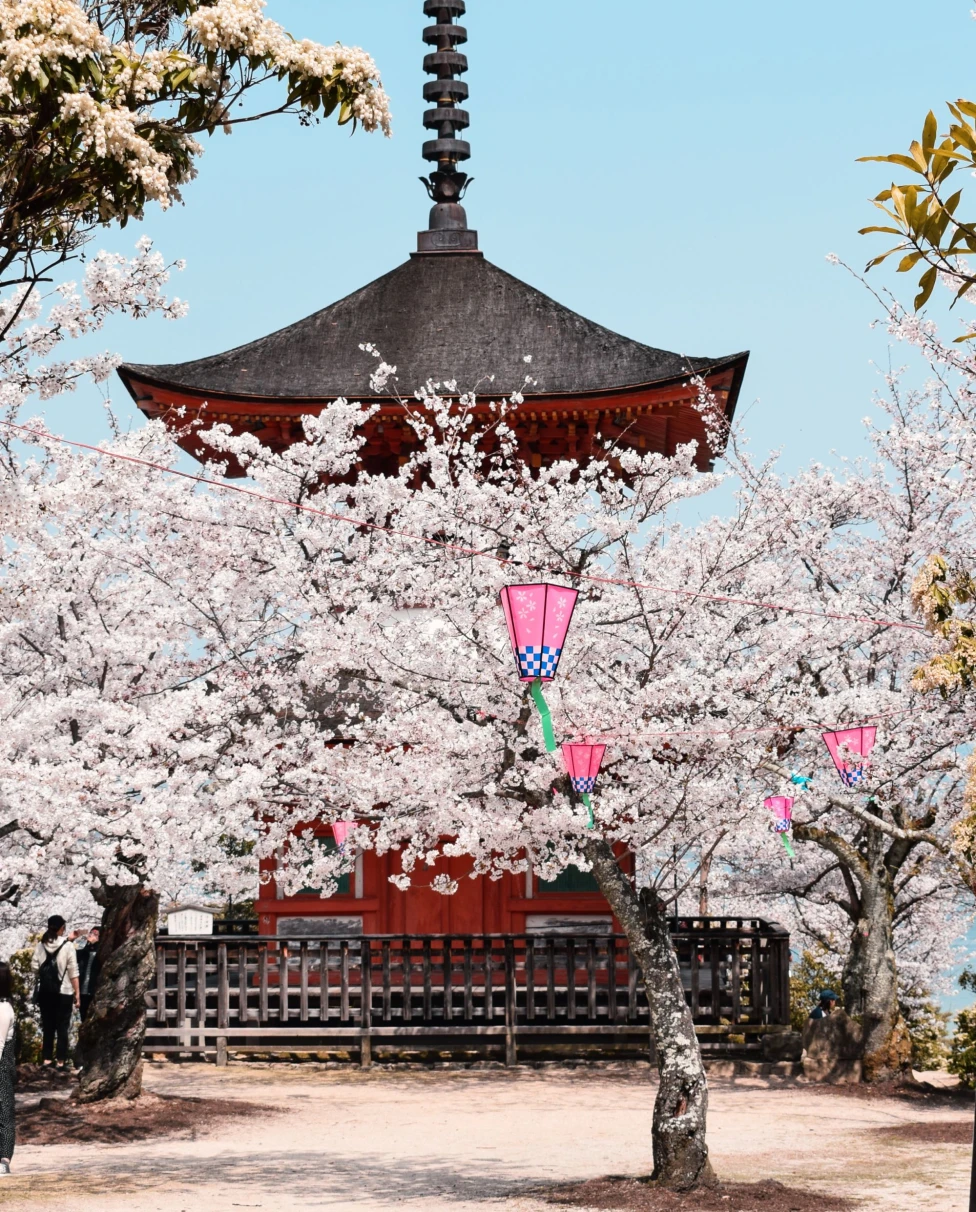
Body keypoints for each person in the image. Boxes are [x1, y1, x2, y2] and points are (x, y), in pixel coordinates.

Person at [32, 916, 79, 1073]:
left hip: (46, 992)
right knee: (62, 1027)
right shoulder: (68, 946)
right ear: (61, 928)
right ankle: (60, 1062)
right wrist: (77, 993)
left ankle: (46, 1060)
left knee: (48, 1026)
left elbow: (34, 968)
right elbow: (73, 971)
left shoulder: (40, 945)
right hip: (64, 992)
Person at [0, 963, 14, 1176]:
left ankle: (3, 1159)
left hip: (2, 1066)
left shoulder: (3, 1009)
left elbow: (0, 1043)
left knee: (3, 1110)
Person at [74, 926, 100, 1021]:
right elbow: (71, 954)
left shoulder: (101, 952)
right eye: (91, 932)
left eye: (95, 933)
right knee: (83, 1019)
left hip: (94, 992)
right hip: (82, 992)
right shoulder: (84, 952)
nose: (91, 935)